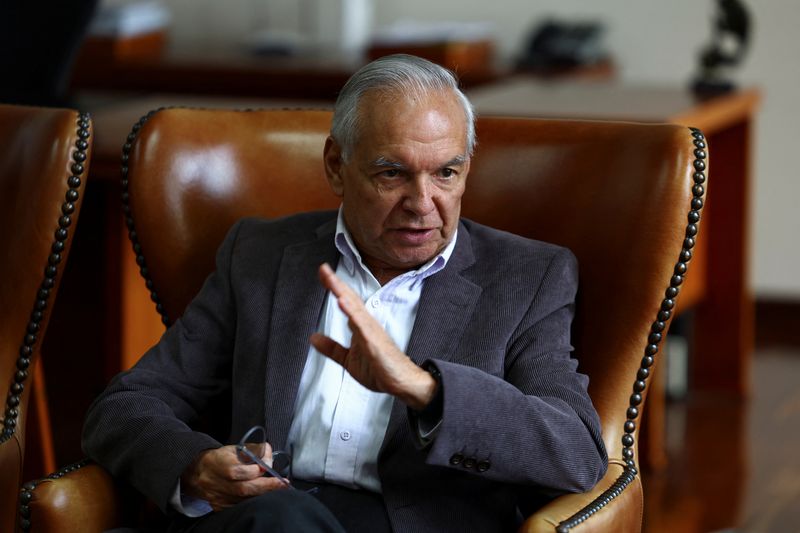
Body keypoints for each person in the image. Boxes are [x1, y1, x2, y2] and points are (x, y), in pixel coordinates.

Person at [82, 54, 607, 533]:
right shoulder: (261, 254)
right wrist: (195, 468)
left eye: (446, 173)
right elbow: (126, 406)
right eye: (392, 173)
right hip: (260, 520)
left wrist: (428, 393)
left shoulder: (527, 278)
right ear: (336, 165)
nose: (423, 203)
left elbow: (576, 452)